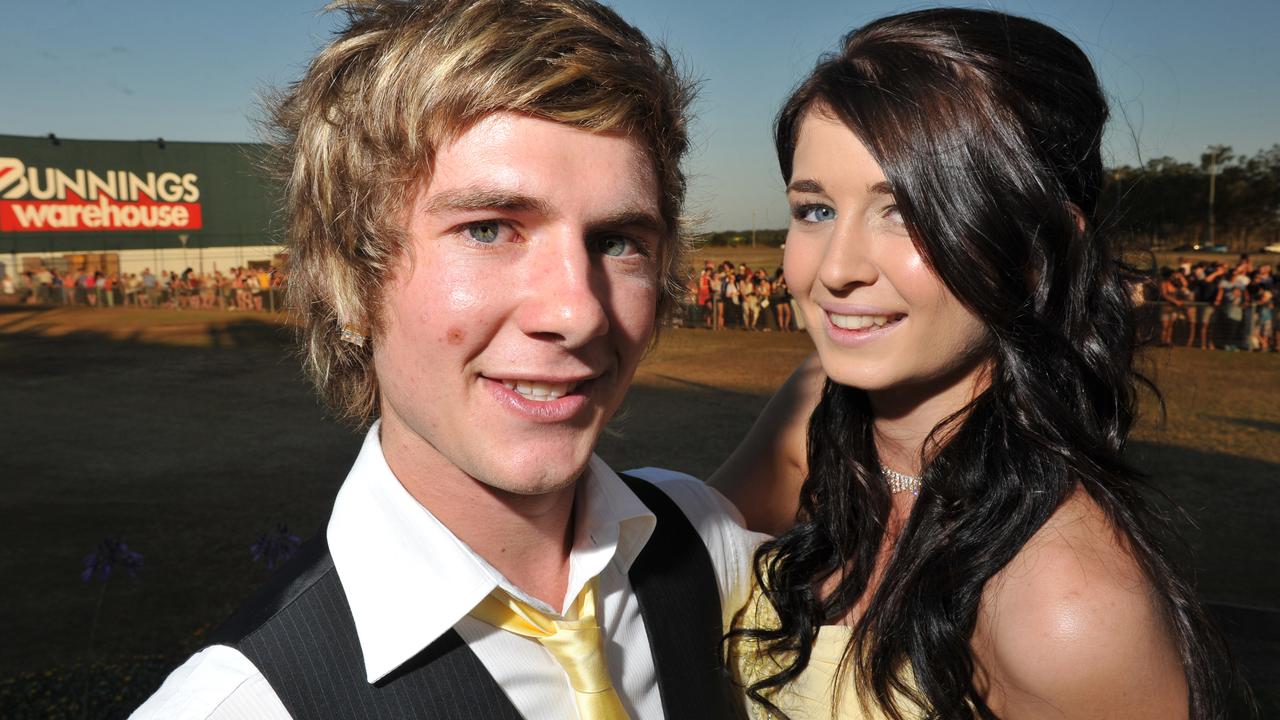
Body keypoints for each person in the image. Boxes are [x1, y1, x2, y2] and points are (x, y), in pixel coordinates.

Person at [132, 1, 761, 718]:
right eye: (488, 229)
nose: (576, 311)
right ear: (349, 280)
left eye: (618, 240)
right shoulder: (242, 704)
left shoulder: (706, 548)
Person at [709, 9, 1234, 719]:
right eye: (815, 211)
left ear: (1036, 247)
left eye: (905, 212)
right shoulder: (816, 404)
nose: (835, 271)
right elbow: (674, 558)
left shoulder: (1069, 615)